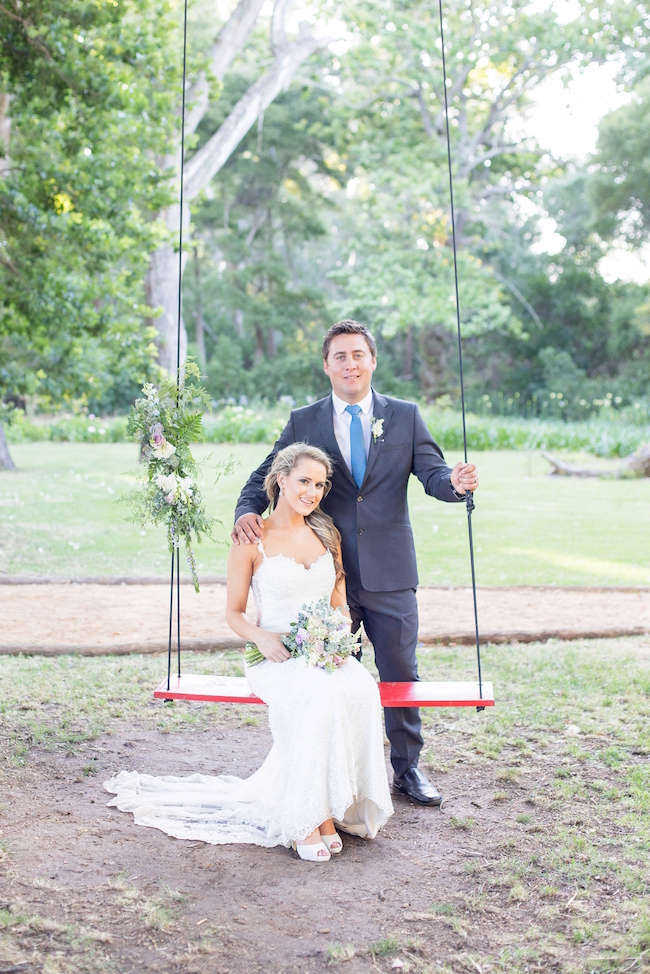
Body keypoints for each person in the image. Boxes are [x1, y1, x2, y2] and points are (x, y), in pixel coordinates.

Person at [105, 442, 393, 862]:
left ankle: (329, 810)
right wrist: (262, 637)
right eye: (303, 482)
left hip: (321, 651)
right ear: (280, 480)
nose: (312, 492)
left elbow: (338, 601)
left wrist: (337, 640)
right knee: (318, 695)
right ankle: (304, 820)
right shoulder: (251, 537)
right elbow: (234, 614)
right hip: (272, 655)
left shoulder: (327, 533)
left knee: (360, 690)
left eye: (319, 485)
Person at [233, 319, 479, 807]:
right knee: (336, 676)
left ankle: (407, 769)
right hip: (327, 575)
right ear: (326, 365)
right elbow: (269, 471)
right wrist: (246, 511)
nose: (350, 363)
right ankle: (344, 774)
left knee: (400, 671)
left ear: (372, 361)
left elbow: (431, 472)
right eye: (340, 356)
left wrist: (455, 483)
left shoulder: (405, 415)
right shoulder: (305, 420)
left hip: (391, 571)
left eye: (358, 354)